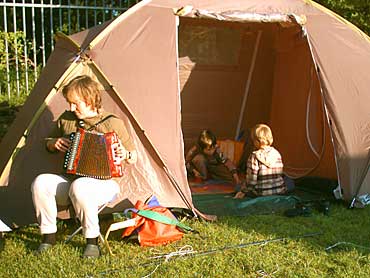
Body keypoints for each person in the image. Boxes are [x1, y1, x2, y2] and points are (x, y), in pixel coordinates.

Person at [31, 75, 137, 258]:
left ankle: (92, 241)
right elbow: (47, 142)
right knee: (41, 182)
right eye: (69, 103)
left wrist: (124, 154)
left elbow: (133, 156)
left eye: (75, 103)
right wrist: (53, 143)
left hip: (104, 184)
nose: (71, 108)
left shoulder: (112, 123)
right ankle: (48, 237)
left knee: (81, 186)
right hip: (72, 181)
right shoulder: (67, 119)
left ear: (89, 99)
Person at [234, 124, 286, 199]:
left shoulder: (254, 157)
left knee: (238, 187)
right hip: (279, 192)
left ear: (256, 141)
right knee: (289, 181)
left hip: (261, 193)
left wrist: (243, 191)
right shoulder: (277, 153)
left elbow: (252, 181)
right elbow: (280, 173)